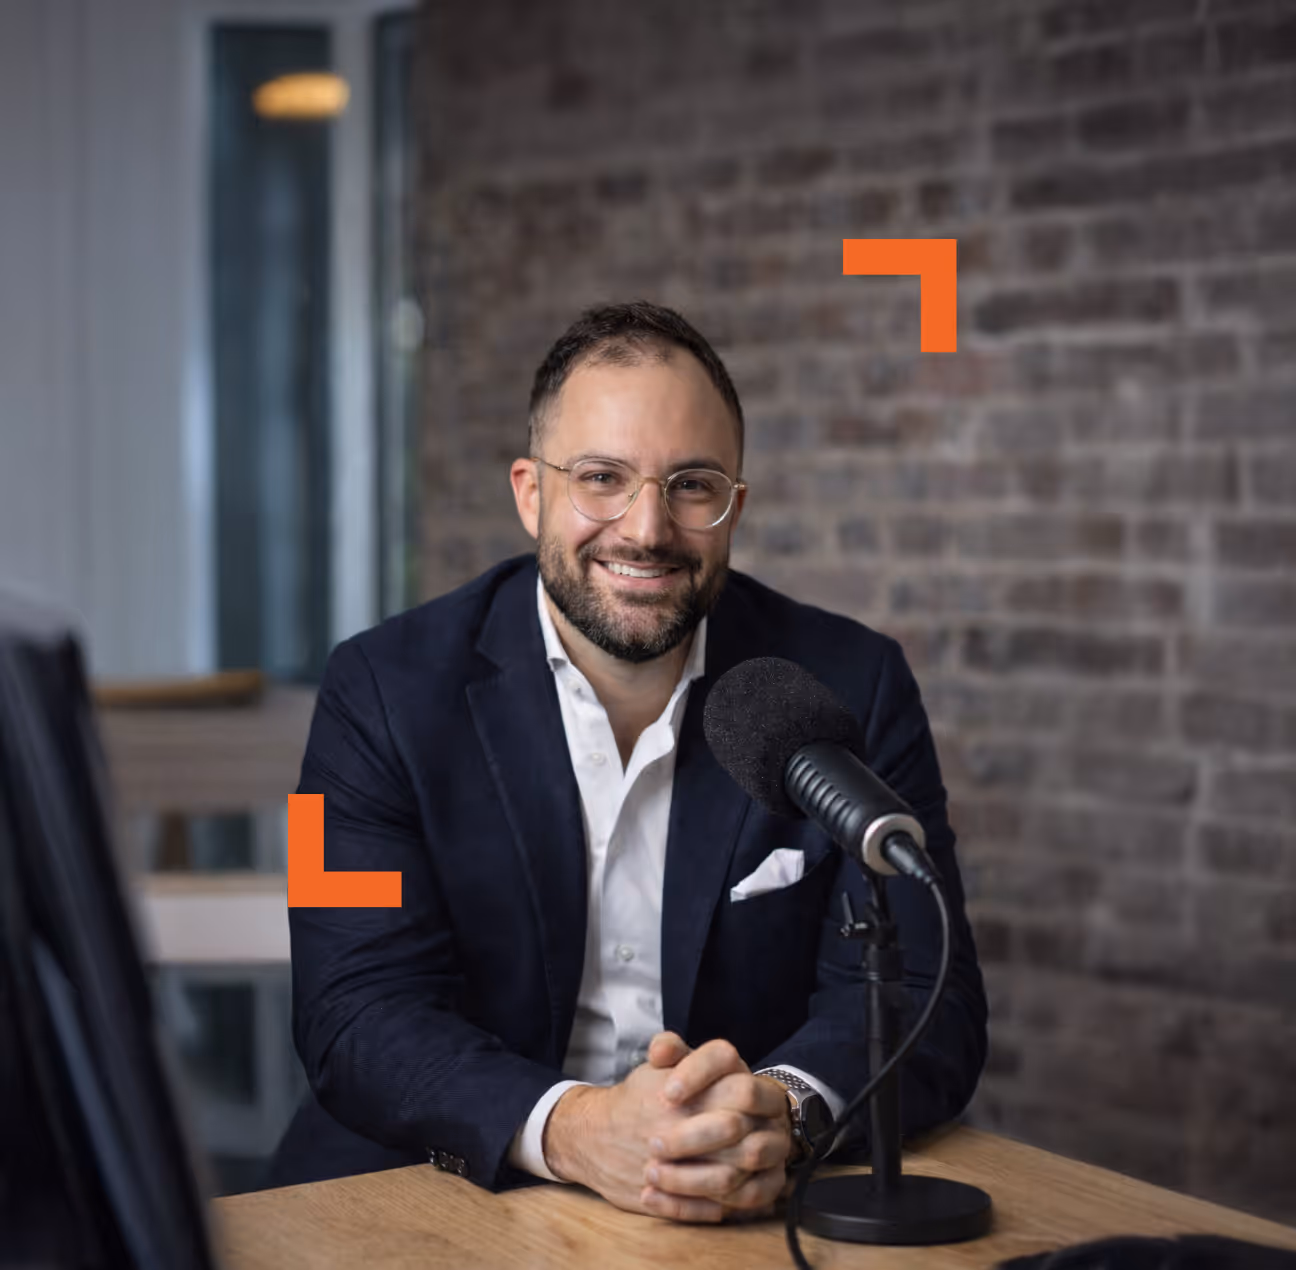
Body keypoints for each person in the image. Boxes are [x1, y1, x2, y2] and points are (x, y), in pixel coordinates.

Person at [270, 302, 987, 1223]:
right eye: (601, 478)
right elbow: (346, 1010)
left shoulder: (856, 684)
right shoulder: (367, 690)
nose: (646, 528)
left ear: (735, 506)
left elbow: (934, 995)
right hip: (429, 1194)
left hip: (739, 1211)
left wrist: (786, 1111)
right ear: (530, 492)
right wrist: (575, 1129)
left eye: (691, 485)